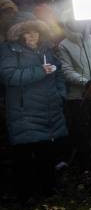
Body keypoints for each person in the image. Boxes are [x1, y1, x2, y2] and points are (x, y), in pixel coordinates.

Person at [0, 19, 67, 200]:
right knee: (24, 156)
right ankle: (26, 195)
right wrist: (39, 71)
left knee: (47, 152)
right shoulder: (9, 50)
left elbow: (59, 72)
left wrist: (60, 93)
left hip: (49, 108)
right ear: (20, 34)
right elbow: (8, 75)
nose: (32, 36)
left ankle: (48, 191)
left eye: (35, 32)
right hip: (23, 111)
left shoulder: (46, 48)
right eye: (28, 32)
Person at [57, 12, 91, 171]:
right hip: (79, 96)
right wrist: (87, 83)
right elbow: (66, 71)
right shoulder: (64, 45)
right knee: (83, 133)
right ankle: (87, 168)